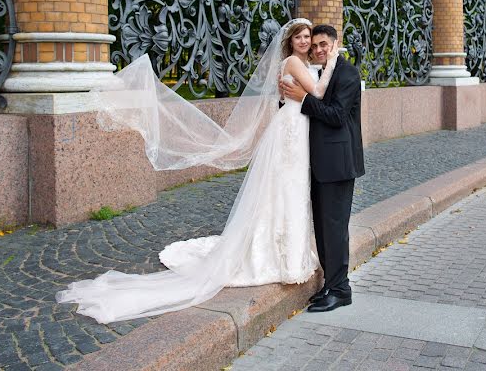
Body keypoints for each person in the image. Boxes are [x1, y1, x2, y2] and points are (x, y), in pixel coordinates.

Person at [56, 18, 340, 323]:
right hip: (291, 133)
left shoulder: (299, 62)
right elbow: (319, 93)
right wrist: (334, 61)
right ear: (290, 41)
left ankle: (290, 249)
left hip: (297, 129)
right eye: (299, 36)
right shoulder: (293, 62)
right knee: (287, 189)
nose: (304, 40)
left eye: (308, 36)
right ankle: (282, 255)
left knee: (292, 191)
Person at [281, 24, 365, 313]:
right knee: (324, 229)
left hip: (339, 164)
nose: (317, 49)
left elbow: (337, 116)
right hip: (319, 165)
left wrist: (302, 100)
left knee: (335, 229)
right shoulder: (321, 72)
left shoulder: (348, 73)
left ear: (335, 43)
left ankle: (342, 290)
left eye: (323, 45)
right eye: (314, 45)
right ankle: (331, 284)